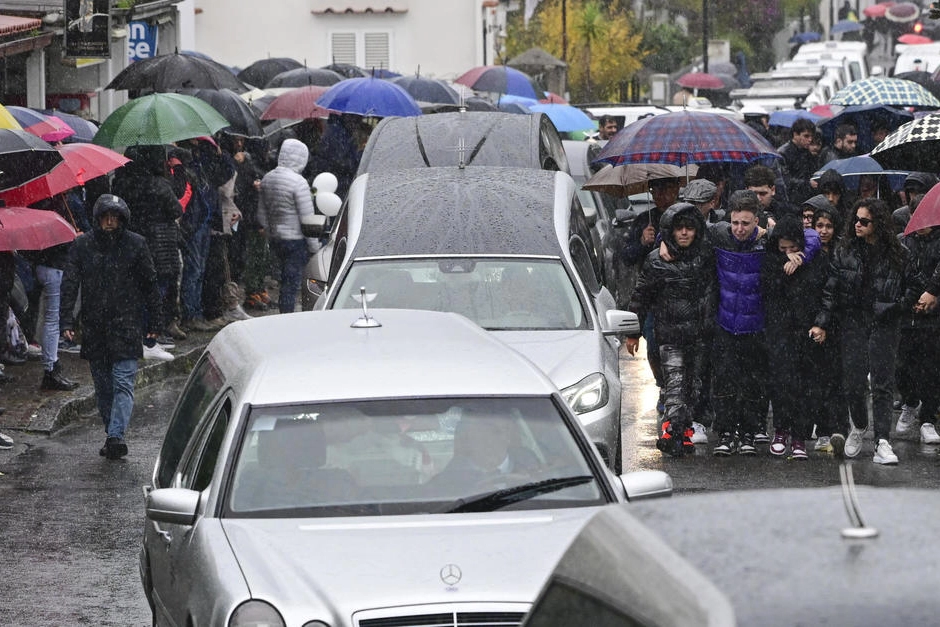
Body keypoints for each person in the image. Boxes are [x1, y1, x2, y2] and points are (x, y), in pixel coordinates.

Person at [810, 198, 924, 464]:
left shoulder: (899, 252)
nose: (858, 225)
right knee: (853, 383)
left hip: (885, 322)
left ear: (878, 224)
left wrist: (896, 307)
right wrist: (822, 322)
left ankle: (882, 440)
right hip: (853, 321)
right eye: (856, 220)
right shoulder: (845, 250)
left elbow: (915, 285)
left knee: (883, 384)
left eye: (865, 221)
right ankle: (859, 426)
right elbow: (832, 290)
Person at [706, 190, 819, 456]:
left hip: (757, 323)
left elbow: (810, 236)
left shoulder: (767, 242)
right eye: (735, 222)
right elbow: (685, 229)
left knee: (753, 383)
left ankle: (748, 432)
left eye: (746, 223)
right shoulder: (720, 235)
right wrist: (663, 240)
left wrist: (803, 255)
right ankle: (725, 432)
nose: (739, 228)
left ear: (757, 220)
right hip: (725, 321)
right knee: (724, 382)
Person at [60, 194, 162, 460]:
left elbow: (150, 284)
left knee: (123, 383)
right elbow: (70, 284)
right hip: (95, 326)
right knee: (103, 387)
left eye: (114, 217)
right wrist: (66, 320)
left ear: (122, 219)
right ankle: (112, 433)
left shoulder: (135, 245)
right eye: (105, 217)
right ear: (97, 218)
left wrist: (155, 321)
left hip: (127, 324)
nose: (109, 222)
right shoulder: (83, 245)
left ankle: (116, 435)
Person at [626, 203, 716, 456]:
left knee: (693, 386)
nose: (685, 233)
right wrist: (633, 332)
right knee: (675, 384)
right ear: (670, 231)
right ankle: (673, 432)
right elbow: (640, 296)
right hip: (671, 335)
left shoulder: (705, 256)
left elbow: (711, 293)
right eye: (679, 229)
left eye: (689, 228)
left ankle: (682, 430)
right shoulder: (656, 261)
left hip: (699, 334)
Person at [761, 215, 828, 459]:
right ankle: (781, 430)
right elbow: (767, 289)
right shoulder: (770, 261)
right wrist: (782, 266)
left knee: (806, 384)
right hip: (779, 330)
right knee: (781, 381)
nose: (789, 252)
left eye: (793, 248)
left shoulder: (817, 261)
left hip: (807, 329)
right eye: (783, 248)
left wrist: (820, 323)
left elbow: (825, 293)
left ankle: (800, 434)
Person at [111, 145, 183, 355]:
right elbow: (176, 209)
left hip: (132, 244)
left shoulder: (122, 184)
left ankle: (136, 336)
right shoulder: (159, 185)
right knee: (154, 295)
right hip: (159, 247)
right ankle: (148, 340)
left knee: (135, 294)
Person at [622, 176, 681, 400]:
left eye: (667, 189)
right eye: (656, 190)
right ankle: (663, 386)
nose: (661, 195)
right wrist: (643, 243)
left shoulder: (684, 217)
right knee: (654, 345)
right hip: (652, 296)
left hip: (679, 293)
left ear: (677, 189)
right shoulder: (644, 221)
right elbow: (627, 256)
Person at [258, 138, 318, 314]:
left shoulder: (267, 178)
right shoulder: (299, 183)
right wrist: (314, 246)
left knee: (282, 279)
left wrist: (270, 231)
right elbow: (307, 218)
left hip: (276, 239)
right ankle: (287, 315)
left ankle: (283, 312)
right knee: (291, 283)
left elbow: (261, 213)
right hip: (295, 240)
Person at [894, 220, 940, 444]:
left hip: (933, 316)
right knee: (900, 367)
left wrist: (933, 294)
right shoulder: (903, 242)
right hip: (906, 314)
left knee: (931, 370)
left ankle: (928, 420)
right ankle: (910, 401)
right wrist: (908, 300)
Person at [778, 118, 819, 205]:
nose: (810, 140)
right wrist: (807, 183)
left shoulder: (806, 152)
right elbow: (785, 180)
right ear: (795, 134)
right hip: (791, 200)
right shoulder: (783, 153)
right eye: (806, 136)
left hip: (804, 197)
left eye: (811, 136)